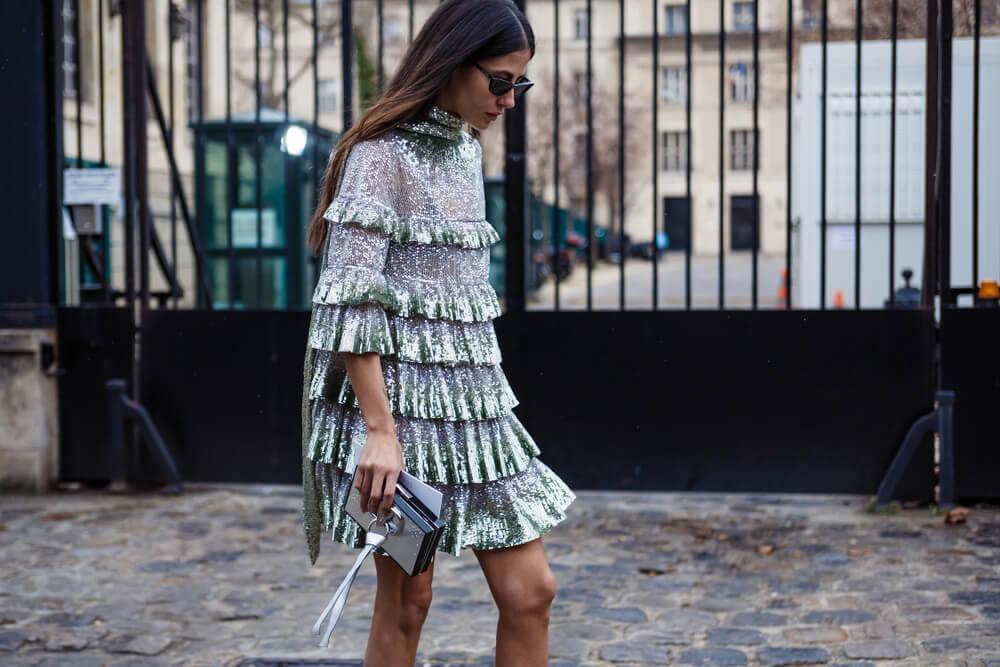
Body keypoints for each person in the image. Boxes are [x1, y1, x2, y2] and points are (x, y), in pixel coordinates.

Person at [300, 1, 576, 665]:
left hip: (475, 414)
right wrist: (379, 431)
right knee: (405, 603)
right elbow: (352, 302)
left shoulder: (462, 151)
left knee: (531, 591)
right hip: (393, 422)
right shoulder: (378, 156)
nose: (509, 100)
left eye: (520, 85)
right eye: (500, 81)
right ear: (452, 61)